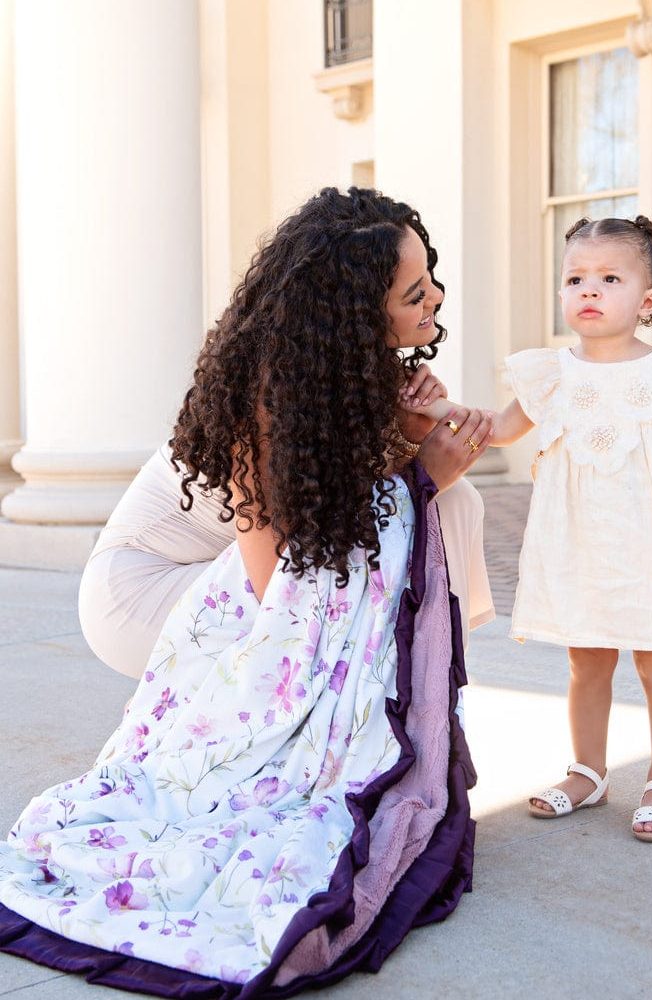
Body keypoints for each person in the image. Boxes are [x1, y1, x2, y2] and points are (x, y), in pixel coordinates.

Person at [0, 187, 494, 995]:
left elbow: (334, 515)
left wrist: (407, 447)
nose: (436, 297)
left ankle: (415, 703)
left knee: (445, 504)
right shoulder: (268, 395)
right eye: (415, 292)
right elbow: (275, 582)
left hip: (230, 567)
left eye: (430, 277)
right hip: (140, 590)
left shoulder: (346, 368)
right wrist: (418, 476)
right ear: (356, 312)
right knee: (423, 511)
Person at [410, 215, 652, 844]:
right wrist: (437, 408)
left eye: (610, 278)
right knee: (587, 662)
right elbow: (499, 430)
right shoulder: (551, 373)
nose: (589, 289)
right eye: (576, 278)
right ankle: (589, 771)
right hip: (581, 544)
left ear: (648, 300)